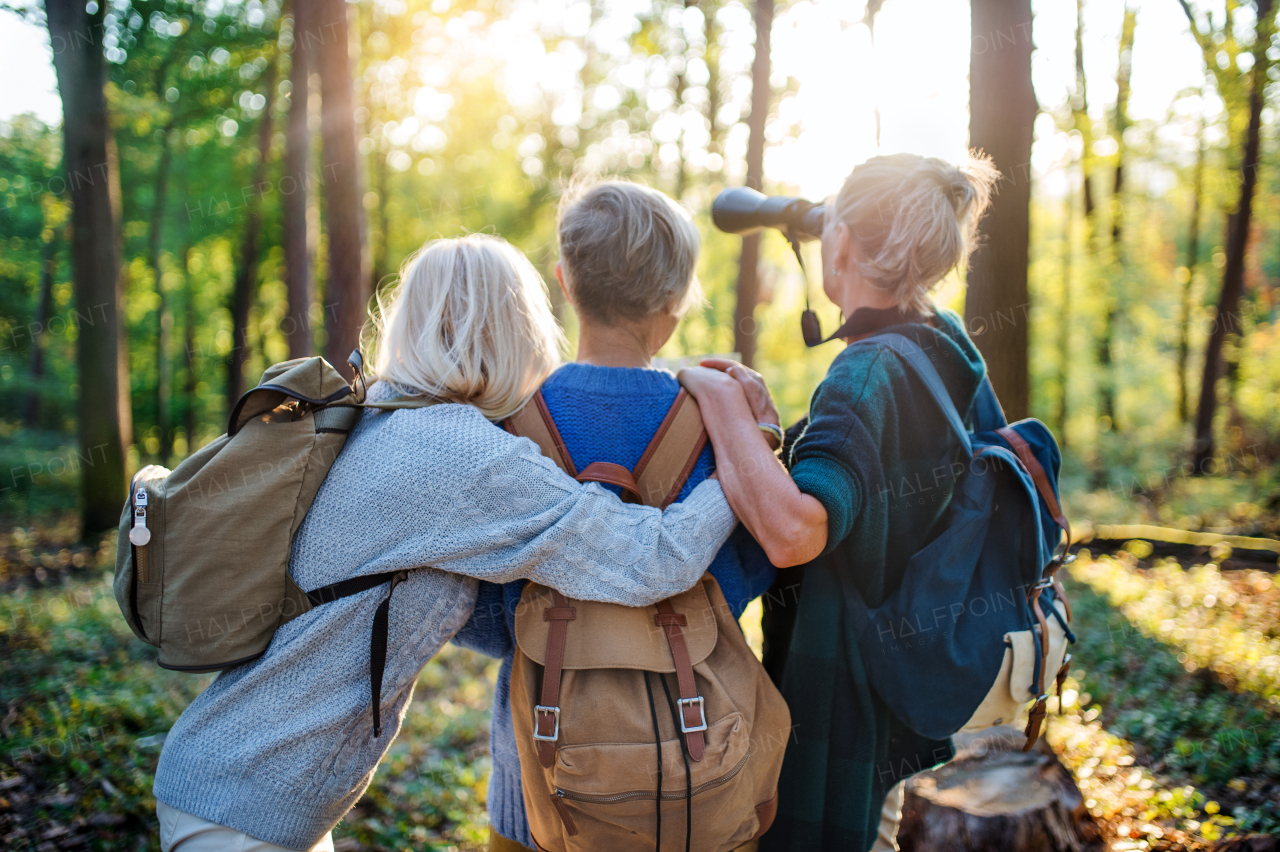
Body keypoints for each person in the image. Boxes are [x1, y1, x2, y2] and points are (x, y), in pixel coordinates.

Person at [152, 234, 742, 852]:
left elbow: (456, 615)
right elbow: (652, 558)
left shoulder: (376, 413)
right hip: (248, 812)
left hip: (237, 788)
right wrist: (744, 452)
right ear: (517, 327)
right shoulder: (464, 458)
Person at [679, 152, 998, 851]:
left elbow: (797, 532)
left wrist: (718, 400)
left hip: (842, 700)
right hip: (897, 684)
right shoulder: (943, 347)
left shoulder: (866, 369)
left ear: (844, 244)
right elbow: (876, 485)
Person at [450, 180, 778, 852]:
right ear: (676, 301)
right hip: (696, 768)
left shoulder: (505, 419)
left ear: (565, 282)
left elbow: (472, 599)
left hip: (542, 770)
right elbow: (747, 570)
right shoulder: (717, 423)